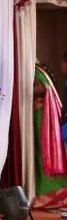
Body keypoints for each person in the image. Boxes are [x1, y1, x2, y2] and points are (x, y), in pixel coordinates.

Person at [33, 62, 67, 209]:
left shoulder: (37, 71)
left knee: (43, 152)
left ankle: (50, 194)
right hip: (38, 113)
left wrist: (24, 89)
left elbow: (44, 87)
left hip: (42, 115)